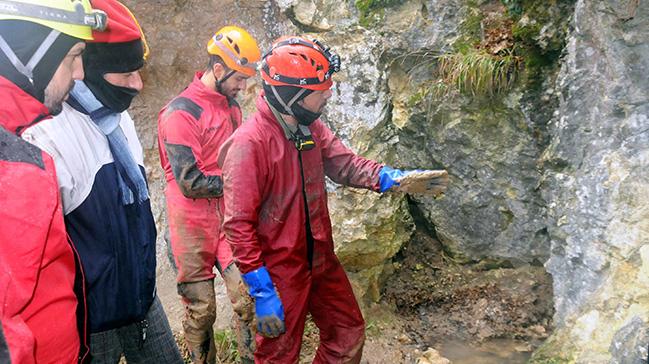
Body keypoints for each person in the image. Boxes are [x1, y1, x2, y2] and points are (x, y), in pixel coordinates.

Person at [219, 36, 443, 363]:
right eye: (319, 90)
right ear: (291, 95)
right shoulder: (249, 144)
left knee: (347, 333)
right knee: (279, 355)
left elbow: (343, 163)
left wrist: (389, 177)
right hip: (279, 270)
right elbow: (238, 225)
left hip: (320, 257)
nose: (328, 94)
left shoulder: (309, 128)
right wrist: (261, 289)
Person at [21, 1, 182, 363]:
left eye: (138, 72)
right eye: (125, 74)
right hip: (90, 316)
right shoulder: (46, 135)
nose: (137, 85)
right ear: (90, 70)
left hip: (140, 295)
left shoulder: (117, 119)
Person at [0, 1, 106, 362]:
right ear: (31, 52)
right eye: (73, 55)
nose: (79, 73)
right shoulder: (11, 165)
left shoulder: (16, 142)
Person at [157, 26, 261, 364]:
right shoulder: (180, 112)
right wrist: (242, 180)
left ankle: (250, 359)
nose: (243, 87)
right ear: (218, 69)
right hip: (189, 226)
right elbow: (191, 181)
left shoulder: (231, 109)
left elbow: (232, 162)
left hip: (225, 220)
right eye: (239, 78)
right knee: (202, 312)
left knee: (247, 298)